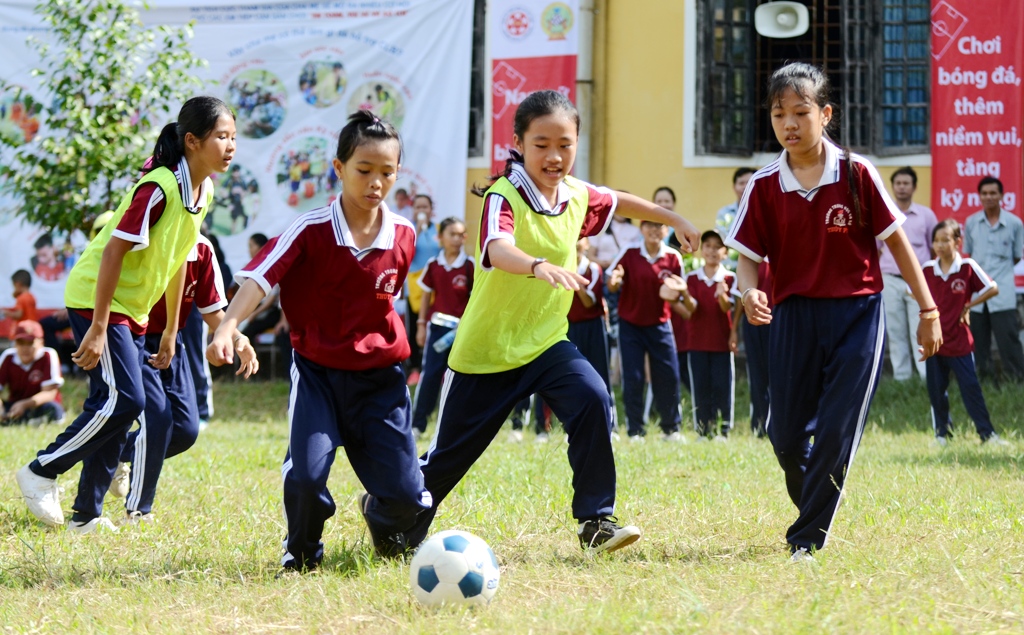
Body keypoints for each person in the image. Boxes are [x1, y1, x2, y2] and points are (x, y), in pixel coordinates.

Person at [395, 90, 700, 554]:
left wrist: (672, 217)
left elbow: (619, 200)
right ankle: (387, 510)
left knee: (594, 398)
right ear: (518, 142)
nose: (554, 156)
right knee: (445, 463)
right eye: (541, 144)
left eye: (565, 144)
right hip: (487, 352)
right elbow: (497, 248)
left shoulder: (577, 195)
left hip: (545, 344)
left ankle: (595, 521)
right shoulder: (504, 194)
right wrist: (537, 265)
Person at [725, 63, 941, 561]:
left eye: (801, 112)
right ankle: (818, 507)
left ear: (825, 114)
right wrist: (749, 293)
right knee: (783, 434)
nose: (789, 124)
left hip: (857, 314)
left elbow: (899, 245)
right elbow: (748, 261)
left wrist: (928, 309)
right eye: (779, 114)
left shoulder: (855, 172)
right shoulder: (762, 185)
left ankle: (807, 538)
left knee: (838, 427)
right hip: (794, 315)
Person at [207, 111, 431, 572]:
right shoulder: (310, 229)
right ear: (339, 169)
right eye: (364, 170)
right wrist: (228, 326)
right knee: (307, 479)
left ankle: (379, 513)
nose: (376, 182)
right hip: (318, 376)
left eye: (387, 172)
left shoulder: (405, 234)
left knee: (410, 500)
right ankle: (303, 553)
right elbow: (259, 277)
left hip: (381, 383)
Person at [15, 96, 237, 532]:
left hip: (131, 309)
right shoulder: (158, 187)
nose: (230, 146)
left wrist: (172, 329)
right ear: (192, 141)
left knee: (116, 405)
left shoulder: (202, 190)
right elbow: (114, 250)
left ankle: (86, 516)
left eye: (233, 137)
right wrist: (98, 326)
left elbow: (176, 259)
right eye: (221, 137)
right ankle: (42, 470)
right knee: (125, 400)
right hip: (97, 300)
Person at [111, 234, 258, 521]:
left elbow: (213, 311)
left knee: (185, 430)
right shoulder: (139, 239)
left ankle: (111, 452)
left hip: (171, 341)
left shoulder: (201, 248)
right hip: (131, 337)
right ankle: (139, 510)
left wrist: (237, 337)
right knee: (158, 420)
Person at [922, 219, 1008, 447]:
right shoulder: (927, 269)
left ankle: (987, 435)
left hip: (959, 341)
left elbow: (993, 288)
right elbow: (912, 291)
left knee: (971, 389)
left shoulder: (967, 266)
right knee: (936, 392)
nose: (939, 245)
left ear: (957, 242)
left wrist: (968, 305)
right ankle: (942, 435)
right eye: (936, 241)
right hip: (934, 342)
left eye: (945, 240)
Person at [607, 221, 685, 441]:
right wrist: (615, 281)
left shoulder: (673, 257)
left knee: (669, 374)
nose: (653, 230)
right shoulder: (629, 252)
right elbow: (612, 283)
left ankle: (671, 429)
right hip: (630, 325)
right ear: (641, 228)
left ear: (666, 231)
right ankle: (635, 430)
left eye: (658, 226)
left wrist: (676, 292)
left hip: (660, 324)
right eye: (648, 225)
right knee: (633, 377)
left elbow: (680, 292)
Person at [411, 217, 474, 438]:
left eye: (461, 234)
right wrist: (420, 326)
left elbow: (476, 299)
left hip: (463, 331)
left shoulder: (470, 266)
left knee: (461, 378)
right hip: (436, 329)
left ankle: (455, 426)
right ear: (441, 238)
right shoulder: (433, 265)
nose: (457, 239)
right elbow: (426, 296)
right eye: (452, 234)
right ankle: (418, 425)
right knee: (430, 376)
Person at [877, 166, 937, 381]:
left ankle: (926, 377)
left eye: (906, 184)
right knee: (895, 331)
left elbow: (933, 248)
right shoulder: (884, 214)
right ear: (892, 187)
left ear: (914, 187)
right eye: (898, 184)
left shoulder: (926, 215)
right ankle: (902, 378)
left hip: (917, 283)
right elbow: (875, 249)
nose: (901, 187)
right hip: (890, 280)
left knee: (919, 329)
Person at [962, 176, 1024, 382]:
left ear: (1001, 196)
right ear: (979, 196)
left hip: (1004, 291)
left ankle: (1015, 380)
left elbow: (1016, 256)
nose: (989, 197)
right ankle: (985, 381)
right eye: (985, 194)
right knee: (979, 341)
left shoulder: (1014, 223)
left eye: (993, 193)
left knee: (1008, 340)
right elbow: (968, 255)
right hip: (978, 295)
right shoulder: (971, 222)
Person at [683, 230, 737, 440]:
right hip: (696, 342)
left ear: (725, 253)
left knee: (722, 387)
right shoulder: (691, 278)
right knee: (700, 387)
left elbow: (727, 308)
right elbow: (691, 308)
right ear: (701, 250)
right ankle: (703, 430)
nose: (712, 251)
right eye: (708, 246)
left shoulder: (730, 278)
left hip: (722, 343)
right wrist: (683, 293)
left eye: (717, 247)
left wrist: (722, 293)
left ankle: (724, 430)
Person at [731, 259, 772, 437]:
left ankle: (781, 426)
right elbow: (741, 299)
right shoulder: (751, 257)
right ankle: (760, 426)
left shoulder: (787, 252)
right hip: (754, 324)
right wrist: (734, 329)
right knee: (757, 375)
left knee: (783, 376)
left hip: (782, 321)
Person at [405, 194, 442, 386]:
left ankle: (438, 368)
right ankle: (415, 368)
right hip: (415, 286)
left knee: (435, 326)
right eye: (418, 207)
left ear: (431, 209)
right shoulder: (408, 229)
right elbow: (405, 255)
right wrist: (417, 231)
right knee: (414, 328)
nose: (421, 211)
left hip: (436, 286)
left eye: (425, 207)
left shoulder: (438, 230)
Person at [0, 320, 64, 426]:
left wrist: (24, 405)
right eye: (21, 343)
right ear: (15, 344)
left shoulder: (48, 355)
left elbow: (49, 393)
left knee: (53, 409)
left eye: (30, 343)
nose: (25, 348)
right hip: (14, 405)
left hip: (39, 406)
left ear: (41, 342)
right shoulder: (8, 357)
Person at [4, 270, 38, 337]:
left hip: (21, 331)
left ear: (17, 284)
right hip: (31, 330)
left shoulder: (21, 298)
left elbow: (19, 314)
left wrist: (6, 313)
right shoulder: (32, 297)